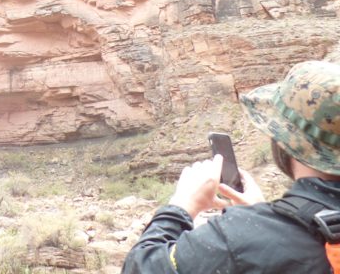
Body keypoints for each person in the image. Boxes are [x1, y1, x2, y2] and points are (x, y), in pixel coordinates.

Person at [121, 60, 340, 273]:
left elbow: (140, 267)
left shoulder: (239, 238)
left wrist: (181, 207)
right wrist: (265, 213)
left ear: (285, 141)